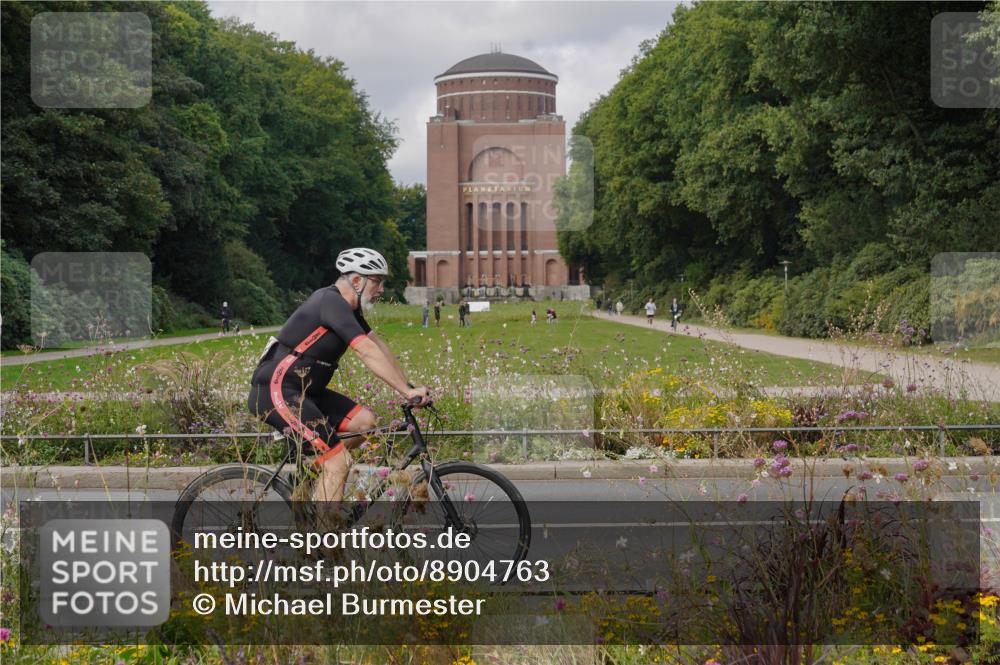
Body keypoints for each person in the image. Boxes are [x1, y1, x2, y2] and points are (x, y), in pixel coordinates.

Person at [247, 248, 431, 503]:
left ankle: (309, 478)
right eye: (377, 281)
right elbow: (365, 351)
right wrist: (406, 392)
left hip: (306, 392)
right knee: (338, 462)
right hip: (276, 390)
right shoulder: (330, 302)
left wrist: (408, 386)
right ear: (356, 281)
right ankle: (325, 537)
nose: (381, 290)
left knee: (364, 423)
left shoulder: (350, 310)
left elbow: (377, 346)